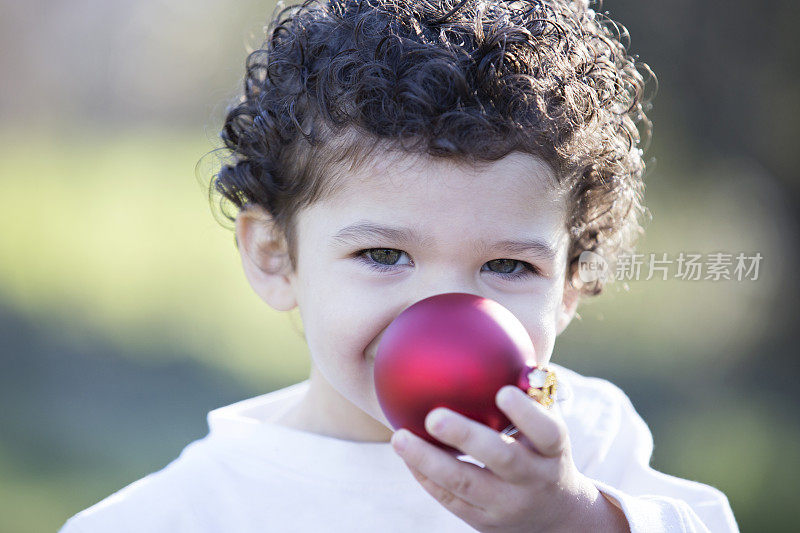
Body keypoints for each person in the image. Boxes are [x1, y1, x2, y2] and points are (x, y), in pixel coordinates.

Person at [60, 0, 740, 531]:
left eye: (507, 265)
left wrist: (572, 519)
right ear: (276, 257)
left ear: (570, 283)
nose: (442, 311)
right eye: (384, 255)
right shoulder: (182, 515)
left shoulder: (586, 440)